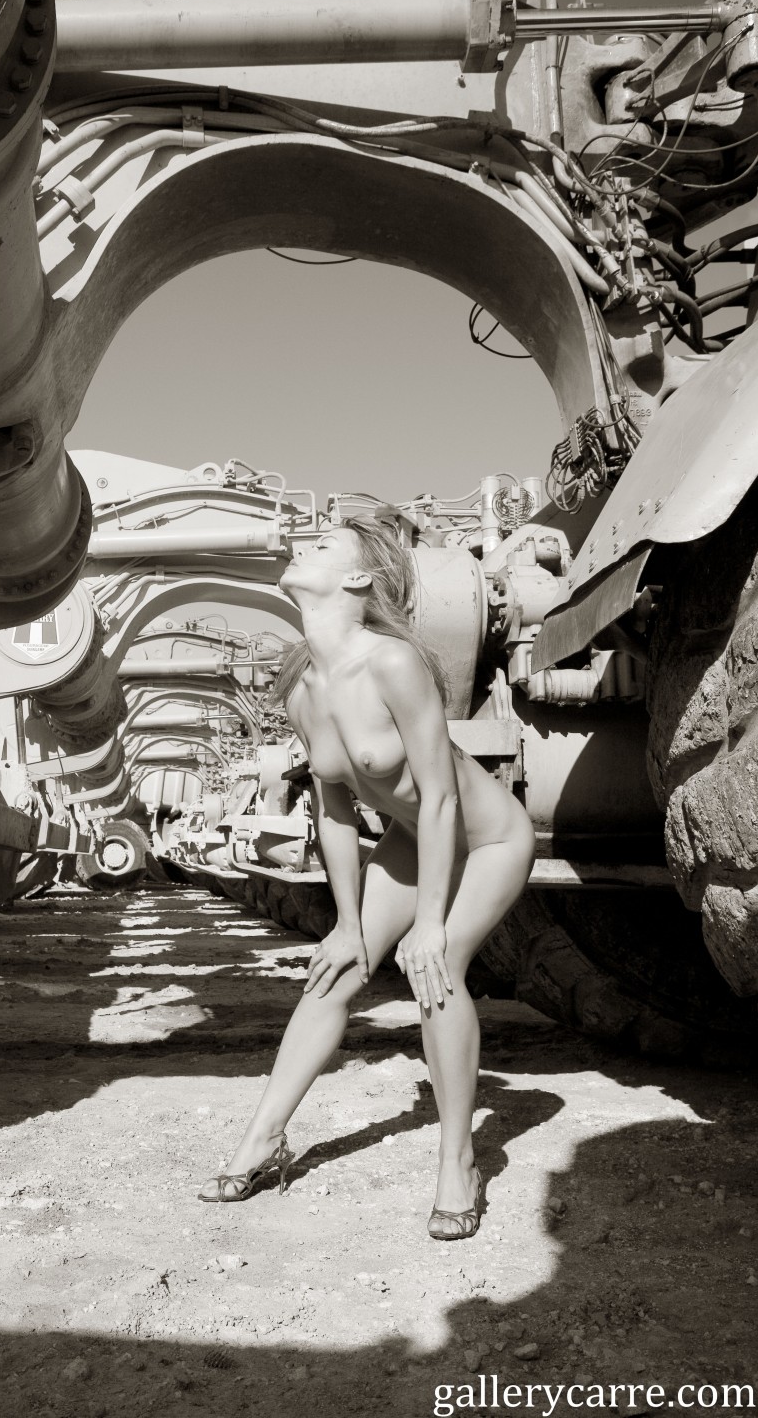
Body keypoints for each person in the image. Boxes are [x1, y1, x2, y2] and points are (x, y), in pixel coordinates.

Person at [198, 516, 536, 1239]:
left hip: (489, 839)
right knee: (334, 973)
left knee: (436, 965)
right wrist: (348, 924)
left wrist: (430, 921)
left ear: (357, 580)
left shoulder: (393, 662)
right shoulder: (302, 687)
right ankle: (263, 1138)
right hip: (417, 840)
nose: (302, 545)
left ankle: (459, 1162)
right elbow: (334, 809)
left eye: (323, 544)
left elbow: (440, 796)